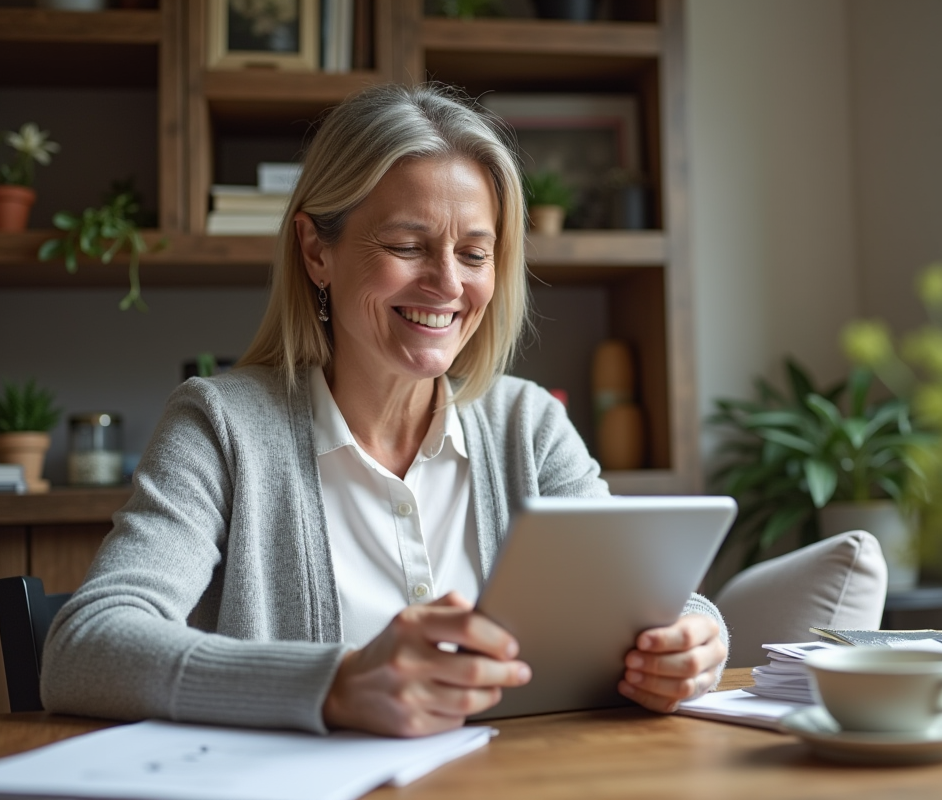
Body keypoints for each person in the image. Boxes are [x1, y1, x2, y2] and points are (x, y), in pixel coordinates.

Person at [41, 83, 728, 738]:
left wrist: (695, 640)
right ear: (317, 250)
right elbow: (86, 645)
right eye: (407, 246)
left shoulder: (529, 424)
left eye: (474, 252)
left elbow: (648, 600)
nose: (448, 284)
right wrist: (336, 684)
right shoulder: (220, 427)